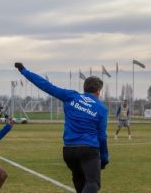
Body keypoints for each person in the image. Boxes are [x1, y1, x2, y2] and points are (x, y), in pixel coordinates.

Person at [15, 62, 109, 193]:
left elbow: (46, 86)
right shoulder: (101, 108)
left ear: (84, 88)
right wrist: (104, 157)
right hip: (88, 149)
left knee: (80, 183)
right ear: (99, 91)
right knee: (93, 184)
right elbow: (102, 136)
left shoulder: (71, 96)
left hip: (69, 151)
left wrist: (24, 71)